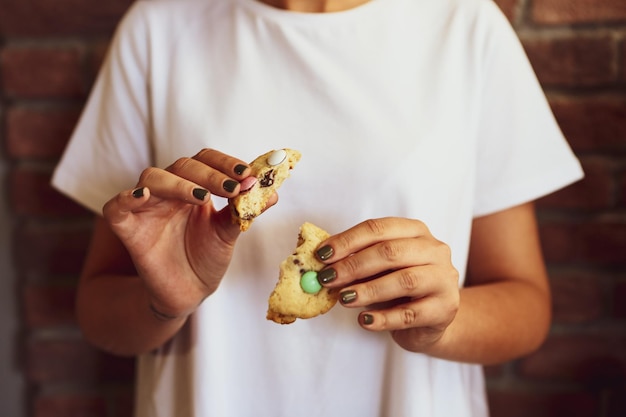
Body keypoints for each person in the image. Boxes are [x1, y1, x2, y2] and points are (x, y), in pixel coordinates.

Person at [52, 0, 584, 415]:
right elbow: (98, 314)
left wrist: (443, 322)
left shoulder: (466, 27)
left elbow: (527, 306)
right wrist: (163, 303)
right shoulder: (157, 30)